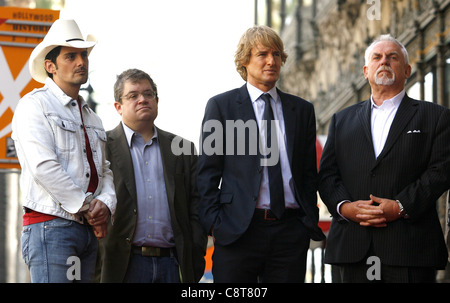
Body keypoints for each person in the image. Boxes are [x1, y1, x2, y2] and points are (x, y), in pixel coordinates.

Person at [197, 25, 325, 283]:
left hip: (289, 232)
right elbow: (207, 173)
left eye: (277, 54)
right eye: (263, 54)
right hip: (238, 231)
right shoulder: (222, 107)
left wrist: (305, 218)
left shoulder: (301, 110)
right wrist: (215, 224)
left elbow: (308, 173)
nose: (271, 61)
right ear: (244, 60)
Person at [318, 34, 450, 283]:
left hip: (409, 249)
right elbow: (327, 176)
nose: (384, 62)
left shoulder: (436, 117)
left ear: (408, 69)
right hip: (351, 249)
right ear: (366, 71)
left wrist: (401, 207)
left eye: (393, 57)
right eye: (377, 58)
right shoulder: (341, 120)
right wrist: (346, 208)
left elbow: (440, 172)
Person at [11, 19, 116, 283]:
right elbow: (43, 167)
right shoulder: (33, 106)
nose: (81, 61)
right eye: (71, 56)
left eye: (83, 55)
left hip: (84, 231)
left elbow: (104, 170)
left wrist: (107, 204)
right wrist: (89, 206)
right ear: (51, 66)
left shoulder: (93, 118)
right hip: (51, 226)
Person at [96, 69, 207, 283]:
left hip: (172, 265)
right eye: (133, 95)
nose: (142, 99)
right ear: (118, 107)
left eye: (148, 94)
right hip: (121, 266)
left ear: (157, 100)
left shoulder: (182, 148)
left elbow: (197, 205)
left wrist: (195, 253)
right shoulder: (101, 147)